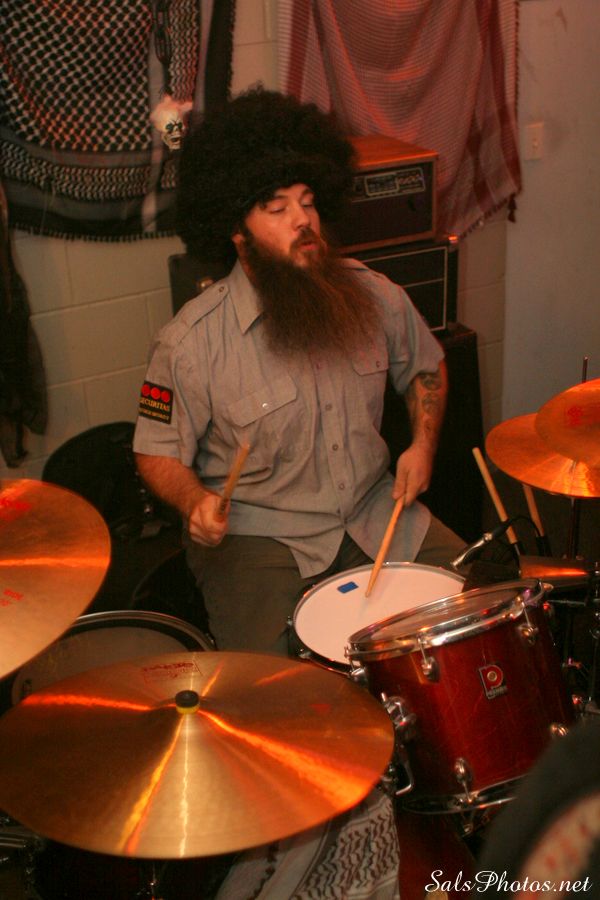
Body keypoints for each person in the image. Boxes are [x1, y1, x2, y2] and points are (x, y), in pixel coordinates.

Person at [133, 87, 464, 657]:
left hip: (373, 511)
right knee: (273, 689)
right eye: (277, 208)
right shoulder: (188, 343)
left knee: (474, 611)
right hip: (260, 539)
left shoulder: (374, 295)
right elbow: (154, 451)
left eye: (308, 202)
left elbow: (426, 369)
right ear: (237, 231)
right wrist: (194, 503)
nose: (303, 220)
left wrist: (422, 446)